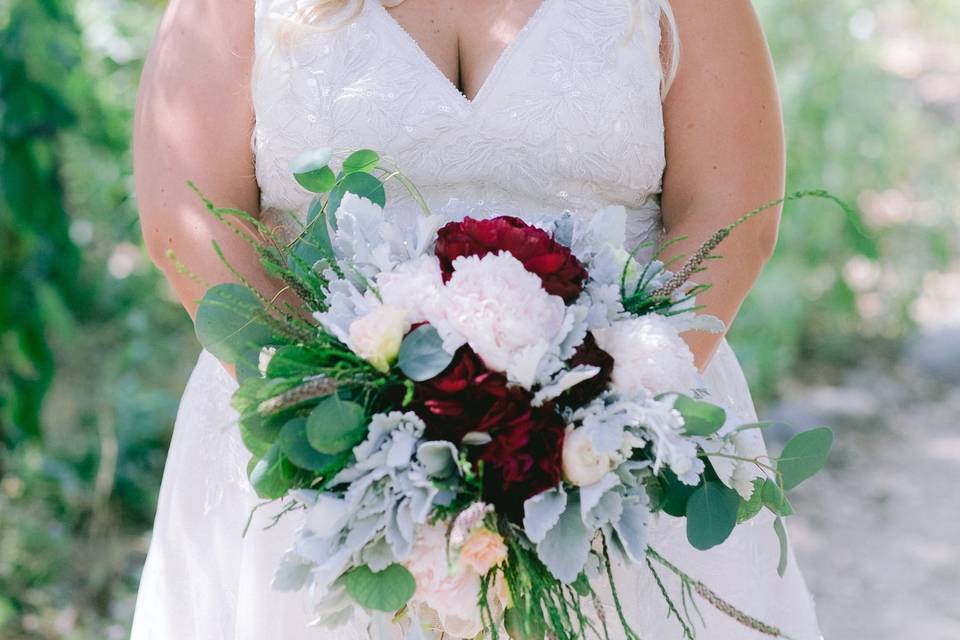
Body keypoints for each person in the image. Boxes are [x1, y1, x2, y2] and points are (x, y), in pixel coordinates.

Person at [131, 0, 822, 637]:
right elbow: (187, 220)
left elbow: (729, 206)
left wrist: (605, 421)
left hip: (617, 459)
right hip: (312, 458)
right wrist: (344, 436)